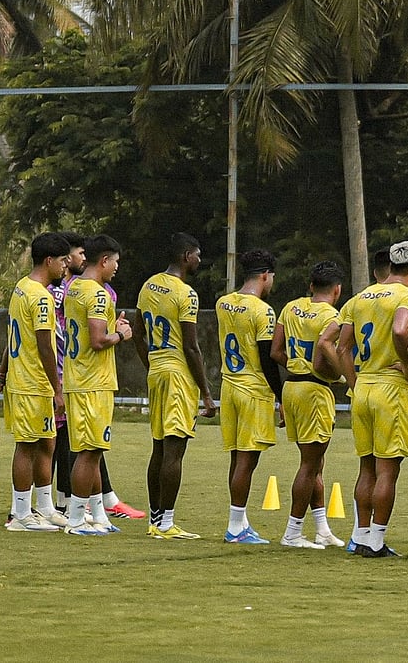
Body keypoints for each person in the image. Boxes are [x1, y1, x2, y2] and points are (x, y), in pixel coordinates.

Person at [336, 240, 408, 558]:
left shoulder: (360, 297)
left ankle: (360, 536)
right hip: (390, 388)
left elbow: (341, 347)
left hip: (363, 388)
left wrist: (354, 382)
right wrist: (407, 364)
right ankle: (376, 541)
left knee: (367, 467)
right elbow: (401, 331)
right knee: (388, 470)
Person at [52, 231, 143, 521]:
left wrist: (110, 328)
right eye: (115, 262)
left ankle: (98, 517)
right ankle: (78, 518)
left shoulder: (73, 287)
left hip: (76, 377)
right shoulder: (98, 293)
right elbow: (98, 340)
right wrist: (121, 334)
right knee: (90, 451)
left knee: (88, 450)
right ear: (104, 260)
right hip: (94, 381)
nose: (117, 268)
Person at [133, 232, 217, 540]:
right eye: (197, 255)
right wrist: (206, 393)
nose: (199, 260)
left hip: (157, 370)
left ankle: (155, 520)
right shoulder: (186, 294)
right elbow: (191, 347)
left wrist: (152, 364)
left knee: (158, 446)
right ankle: (167, 523)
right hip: (178, 375)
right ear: (185, 256)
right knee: (175, 449)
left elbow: (138, 333)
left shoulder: (148, 285)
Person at [271, 260, 346, 550]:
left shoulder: (291, 307)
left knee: (315, 462)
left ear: (311, 285)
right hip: (314, 391)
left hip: (291, 386)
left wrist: (296, 365)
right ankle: (292, 532)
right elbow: (323, 359)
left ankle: (322, 529)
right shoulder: (332, 316)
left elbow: (276, 351)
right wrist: (339, 375)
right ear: (337, 290)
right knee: (309, 464)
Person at [2, 232, 71, 531]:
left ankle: (44, 507)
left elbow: (11, 334)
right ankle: (20, 514)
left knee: (47, 442)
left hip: (28, 380)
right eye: (63, 261)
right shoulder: (41, 297)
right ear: (49, 260)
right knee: (27, 445)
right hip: (32, 382)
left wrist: (3, 370)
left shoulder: (21, 287)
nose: (66, 267)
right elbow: (45, 345)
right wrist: (58, 389)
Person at [216, 248, 282, 544]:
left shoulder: (223, 303)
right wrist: (281, 395)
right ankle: (235, 527)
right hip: (253, 389)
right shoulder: (263, 311)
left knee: (237, 457)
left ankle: (240, 522)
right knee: (247, 460)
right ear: (265, 275)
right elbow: (267, 358)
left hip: (229, 386)